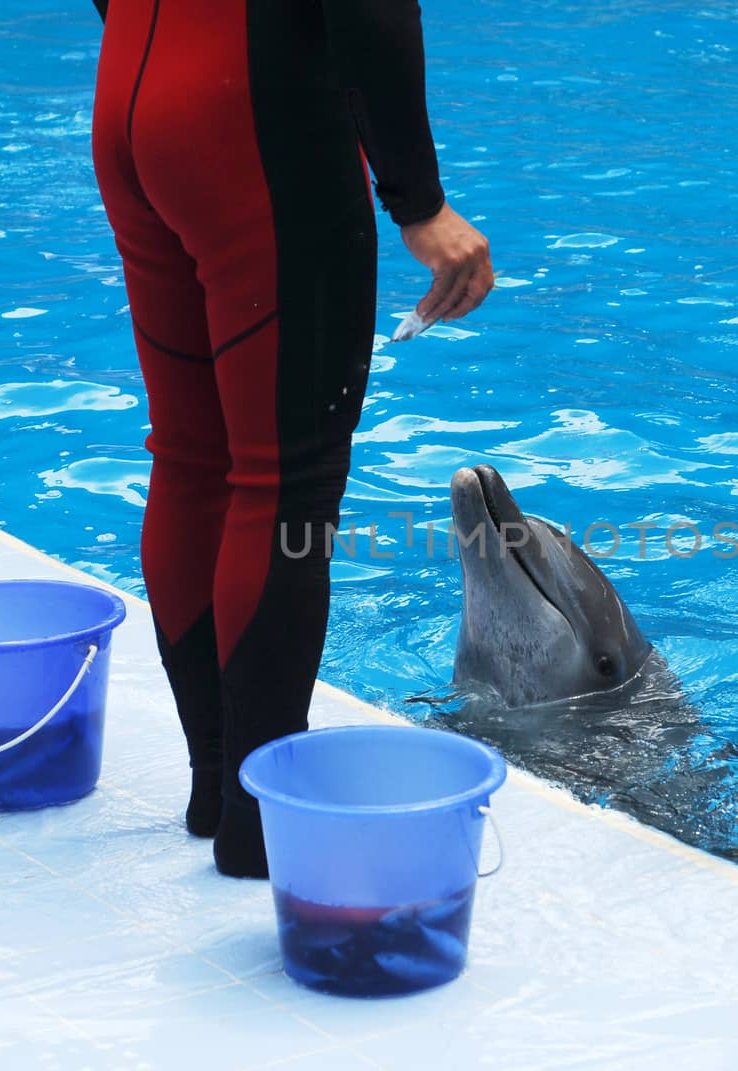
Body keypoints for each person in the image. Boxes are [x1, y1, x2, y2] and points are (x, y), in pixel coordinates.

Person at [89, 0, 493, 877]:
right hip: (253, 120)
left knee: (192, 455)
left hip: (133, 93)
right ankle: (256, 829)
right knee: (283, 481)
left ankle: (217, 789)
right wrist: (420, 202)